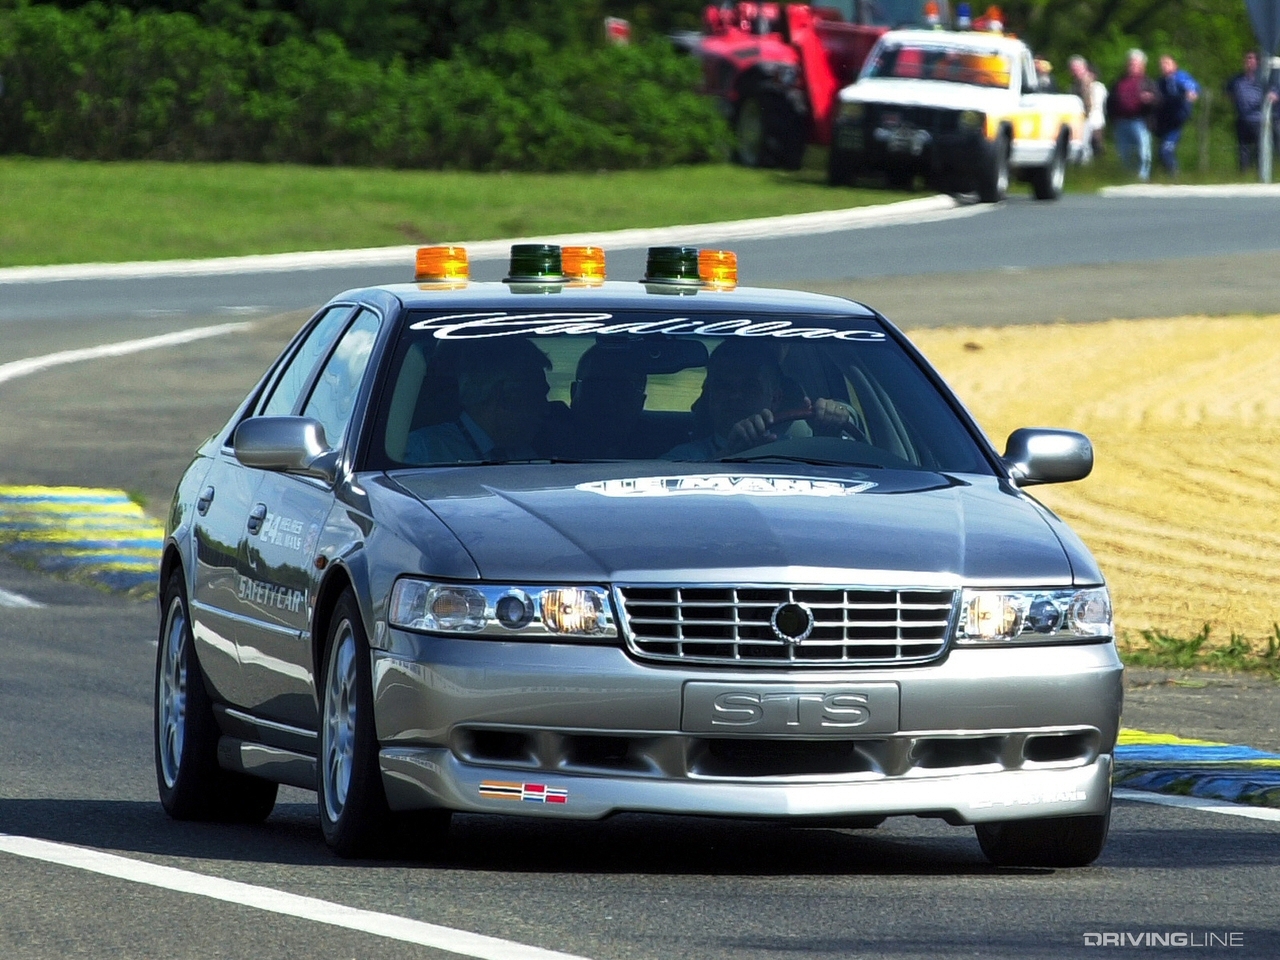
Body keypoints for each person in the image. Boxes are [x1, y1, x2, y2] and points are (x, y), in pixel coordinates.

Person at [664, 339, 859, 460]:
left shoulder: (802, 452)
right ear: (709, 395)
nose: (735, 395)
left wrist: (828, 439)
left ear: (776, 398)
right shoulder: (682, 459)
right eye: (723, 386)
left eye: (750, 387)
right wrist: (728, 456)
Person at [405, 339, 552, 463]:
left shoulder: (524, 453)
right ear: (503, 396)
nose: (546, 410)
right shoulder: (423, 452)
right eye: (536, 397)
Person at [558, 343, 648, 459]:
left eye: (622, 391)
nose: (608, 402)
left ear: (640, 401)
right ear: (574, 392)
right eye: (596, 388)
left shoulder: (659, 445)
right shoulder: (544, 436)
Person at [1108, 49, 1158, 182]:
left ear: (1142, 66)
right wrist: (1112, 117)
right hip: (1121, 122)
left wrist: (1150, 99)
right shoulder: (1120, 81)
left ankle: (1143, 177)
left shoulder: (1148, 82)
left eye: (1135, 64)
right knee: (1124, 152)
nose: (1132, 66)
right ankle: (1127, 176)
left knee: (1143, 152)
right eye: (1130, 63)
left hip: (1140, 121)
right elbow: (1110, 100)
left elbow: (1158, 100)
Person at [1226, 51, 1280, 173]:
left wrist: (1274, 96)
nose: (1248, 62)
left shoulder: (1265, 79)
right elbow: (1227, 90)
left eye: (1251, 59)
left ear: (1257, 62)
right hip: (1243, 119)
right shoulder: (1237, 79)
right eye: (1247, 59)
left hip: (1259, 120)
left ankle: (1262, 173)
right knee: (1243, 149)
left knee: (1260, 149)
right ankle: (1244, 174)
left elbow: (1276, 91)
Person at [1153, 55, 1199, 176]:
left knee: (1166, 150)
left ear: (1175, 65)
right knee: (1161, 150)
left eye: (1167, 63)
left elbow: (1191, 86)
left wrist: (1191, 93)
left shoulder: (1180, 77)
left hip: (1176, 120)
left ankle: (1174, 174)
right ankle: (1167, 174)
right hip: (1163, 121)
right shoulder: (1161, 82)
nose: (1164, 66)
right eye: (1162, 64)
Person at [1068, 55, 1107, 163]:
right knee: (1083, 147)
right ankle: (1086, 170)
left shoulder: (1095, 86)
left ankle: (1094, 170)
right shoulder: (1074, 86)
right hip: (1080, 121)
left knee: (1095, 147)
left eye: (1078, 69)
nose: (1075, 72)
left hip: (1093, 121)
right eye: (1073, 69)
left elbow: (1097, 105)